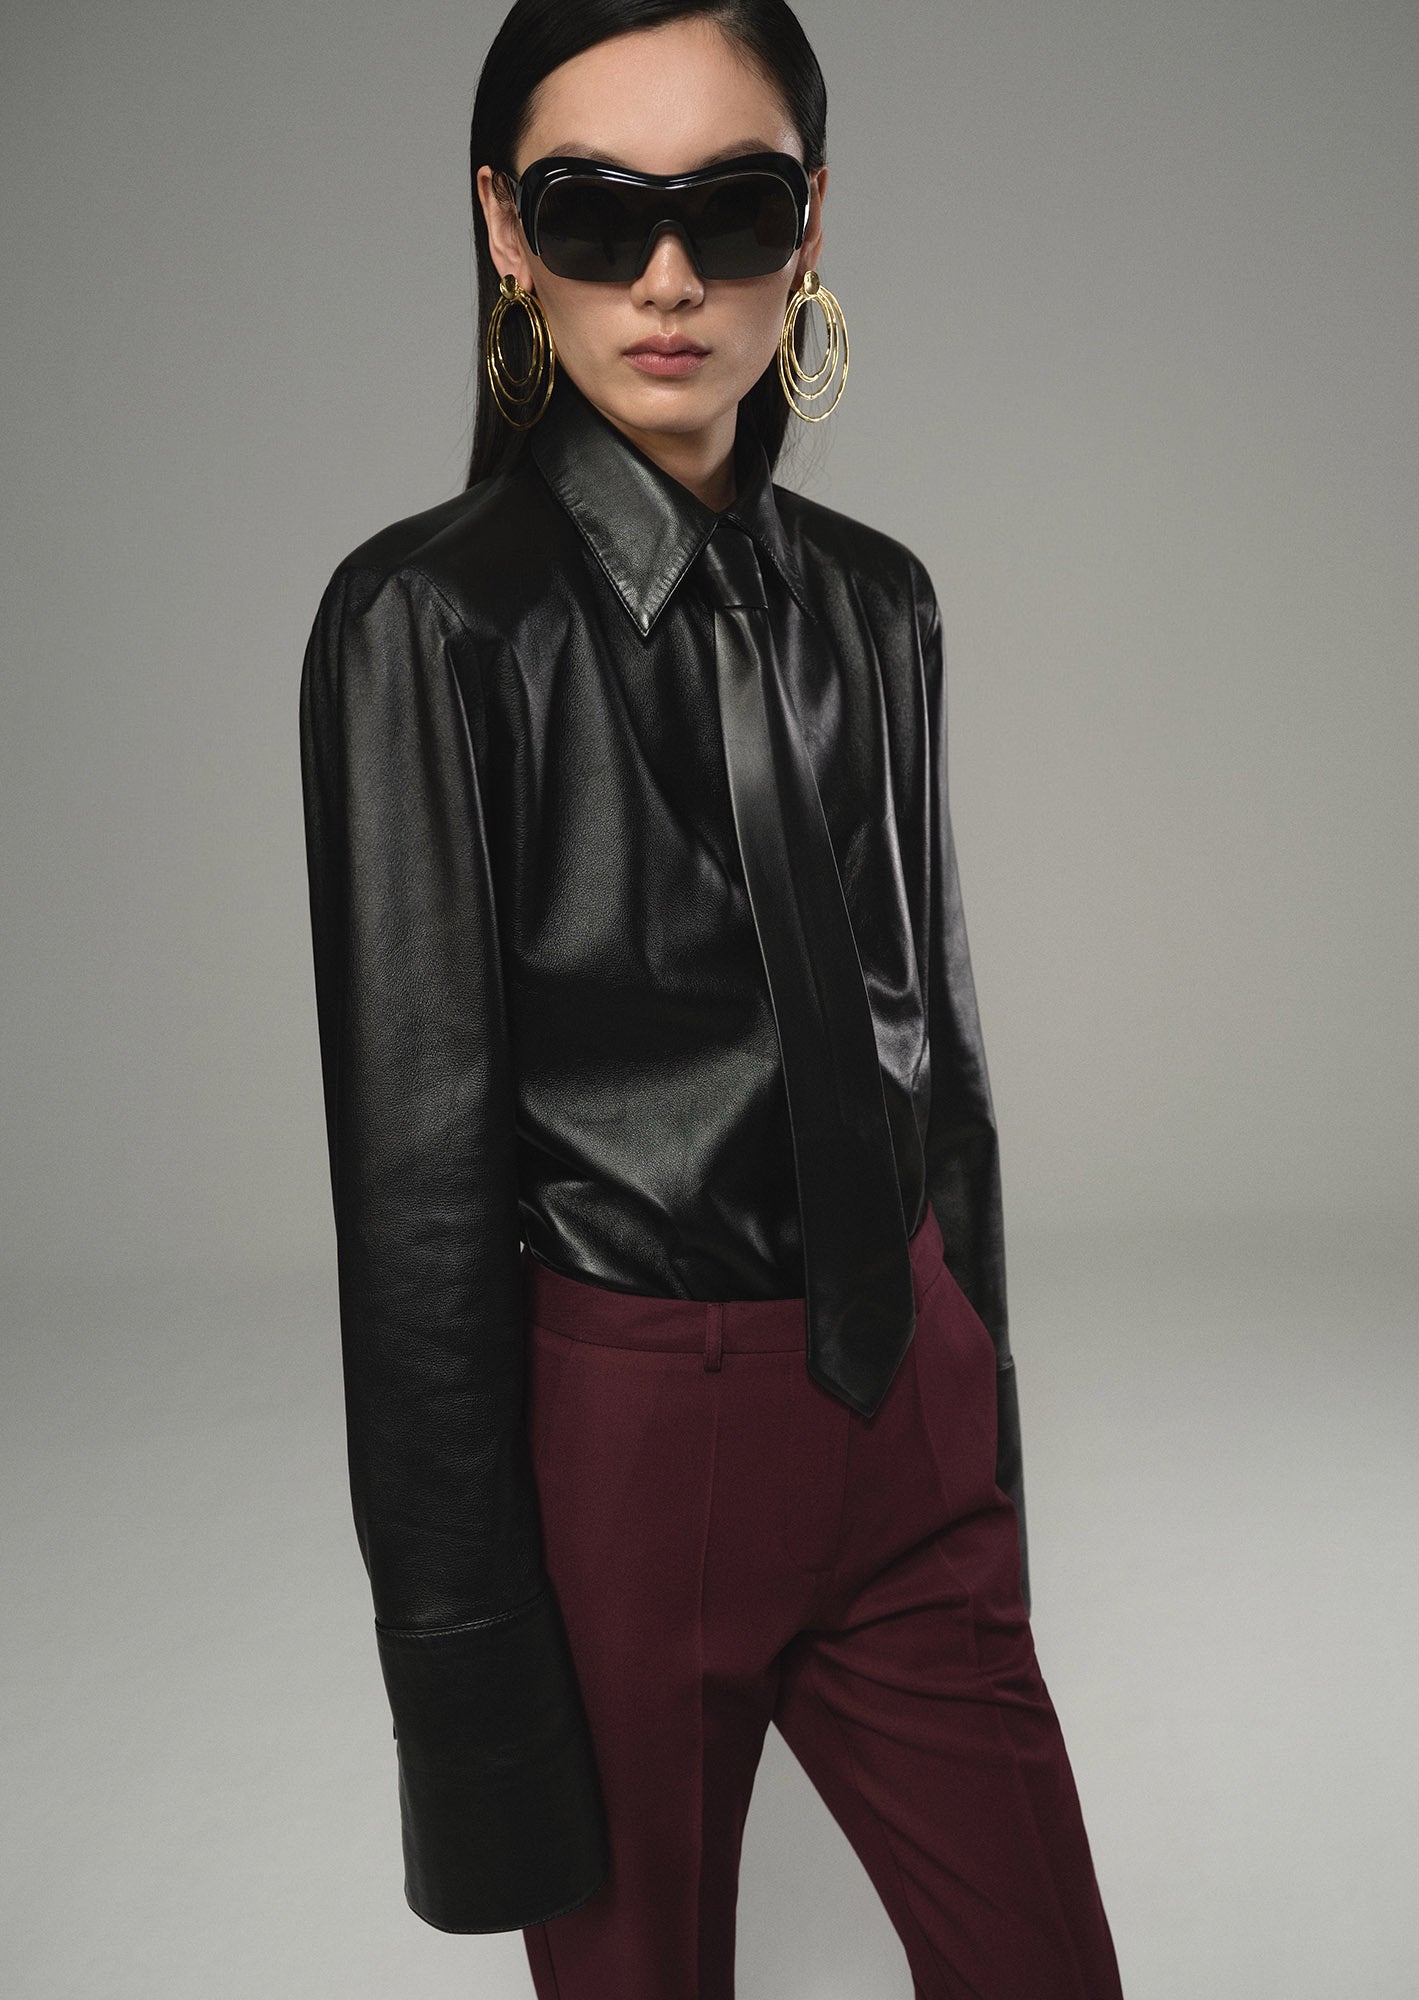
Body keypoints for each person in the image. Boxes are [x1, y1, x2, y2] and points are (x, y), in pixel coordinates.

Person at [298, 2, 1125, 1994]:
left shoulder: (879, 601)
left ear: (807, 223)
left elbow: (934, 1057)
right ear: (507, 229)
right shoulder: (432, 621)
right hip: (631, 1454)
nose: (667, 277)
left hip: (900, 1398)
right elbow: (414, 1202)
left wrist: (982, 1432)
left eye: (731, 208)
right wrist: (466, 1684)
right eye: (597, 212)